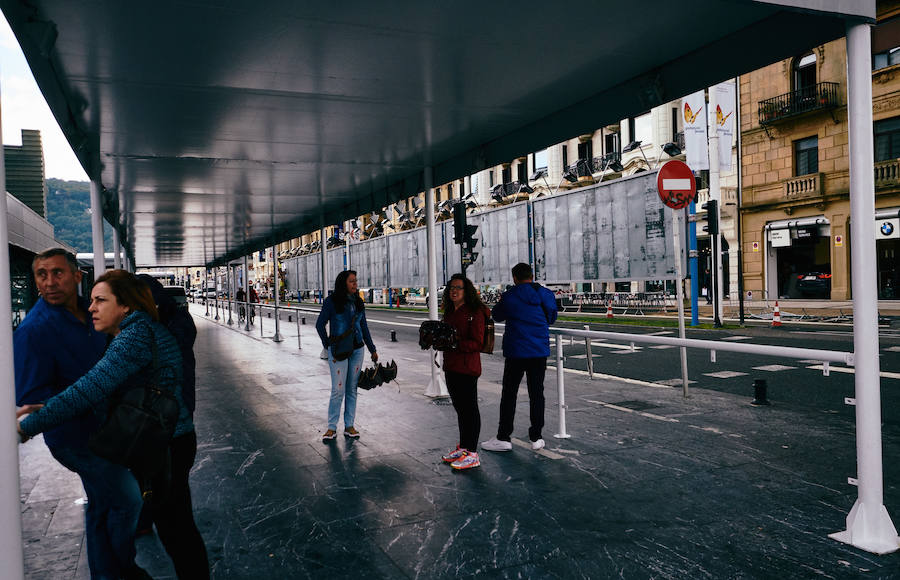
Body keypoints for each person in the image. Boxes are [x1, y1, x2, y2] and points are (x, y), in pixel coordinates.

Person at [16, 269, 205, 580]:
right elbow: (95, 388)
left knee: (177, 531)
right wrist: (47, 407)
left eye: (100, 300)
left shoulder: (135, 338)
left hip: (166, 446)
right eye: (91, 300)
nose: (91, 308)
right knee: (174, 526)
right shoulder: (136, 332)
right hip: (165, 441)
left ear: (126, 306)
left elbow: (89, 389)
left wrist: (28, 426)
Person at [13, 249, 123, 579]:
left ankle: (112, 570)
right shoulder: (34, 330)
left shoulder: (91, 312)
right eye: (41, 275)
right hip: (73, 438)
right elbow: (32, 397)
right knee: (119, 499)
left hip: (106, 428)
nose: (49, 282)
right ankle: (114, 572)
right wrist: (84, 396)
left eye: (58, 273)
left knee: (105, 502)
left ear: (77, 276)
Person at [135, 275, 209, 579]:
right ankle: (145, 517)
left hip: (171, 433)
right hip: (169, 431)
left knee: (177, 521)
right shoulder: (168, 324)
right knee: (171, 509)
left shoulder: (164, 333)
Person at [482, 263, 558, 453]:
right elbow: (552, 318)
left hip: (516, 352)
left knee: (509, 394)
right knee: (537, 394)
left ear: (514, 277)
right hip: (538, 352)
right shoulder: (546, 294)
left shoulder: (510, 296)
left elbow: (497, 315)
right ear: (531, 276)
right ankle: (536, 437)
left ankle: (504, 437)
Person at [315, 270, 378, 441]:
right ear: (343, 283)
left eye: (356, 281)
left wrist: (372, 349)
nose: (355, 284)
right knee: (338, 390)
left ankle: (349, 426)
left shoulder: (358, 302)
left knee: (352, 389)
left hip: (358, 349)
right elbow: (320, 325)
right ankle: (331, 427)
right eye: (352, 281)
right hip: (338, 351)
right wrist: (327, 345)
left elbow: (364, 327)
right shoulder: (331, 301)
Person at [440, 274, 487, 470]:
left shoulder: (474, 312)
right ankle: (464, 447)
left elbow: (478, 342)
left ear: (466, 291)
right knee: (460, 409)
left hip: (467, 368)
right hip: (451, 366)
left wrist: (454, 343)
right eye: (451, 287)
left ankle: (473, 454)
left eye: (458, 288)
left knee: (470, 410)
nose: (454, 291)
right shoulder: (450, 312)